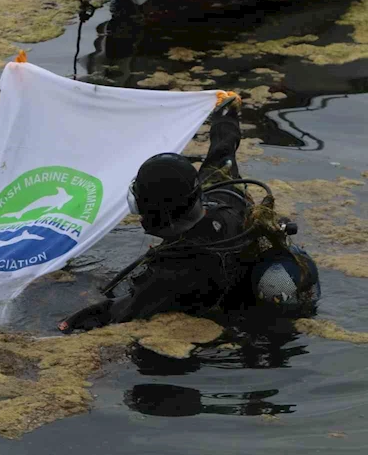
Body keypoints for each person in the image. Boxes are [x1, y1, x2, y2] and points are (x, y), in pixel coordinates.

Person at [59, 97, 320, 333]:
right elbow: (222, 156)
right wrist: (226, 116)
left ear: (159, 215)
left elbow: (117, 313)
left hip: (231, 328)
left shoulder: (173, 274)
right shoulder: (227, 202)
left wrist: (66, 323)